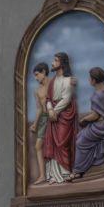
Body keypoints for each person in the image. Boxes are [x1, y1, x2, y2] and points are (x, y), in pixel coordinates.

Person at [67, 66, 104, 181]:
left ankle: (78, 171)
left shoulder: (97, 96)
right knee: (80, 135)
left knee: (80, 141)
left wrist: (84, 120)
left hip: (101, 127)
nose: (89, 80)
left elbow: (95, 115)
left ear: (94, 80)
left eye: (90, 78)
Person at [43, 52, 79, 184]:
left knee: (63, 143)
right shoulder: (52, 81)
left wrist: (55, 111)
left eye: (56, 60)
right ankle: (53, 174)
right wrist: (50, 109)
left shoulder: (68, 80)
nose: (53, 63)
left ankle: (65, 173)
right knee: (52, 143)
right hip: (53, 114)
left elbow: (66, 99)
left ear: (62, 63)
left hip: (64, 115)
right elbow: (48, 98)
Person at [29, 62, 50, 185]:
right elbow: (39, 109)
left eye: (37, 75)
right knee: (38, 146)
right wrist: (35, 124)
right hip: (44, 119)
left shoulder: (54, 83)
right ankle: (42, 175)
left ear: (44, 72)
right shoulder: (37, 91)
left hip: (56, 117)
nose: (36, 78)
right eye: (35, 76)